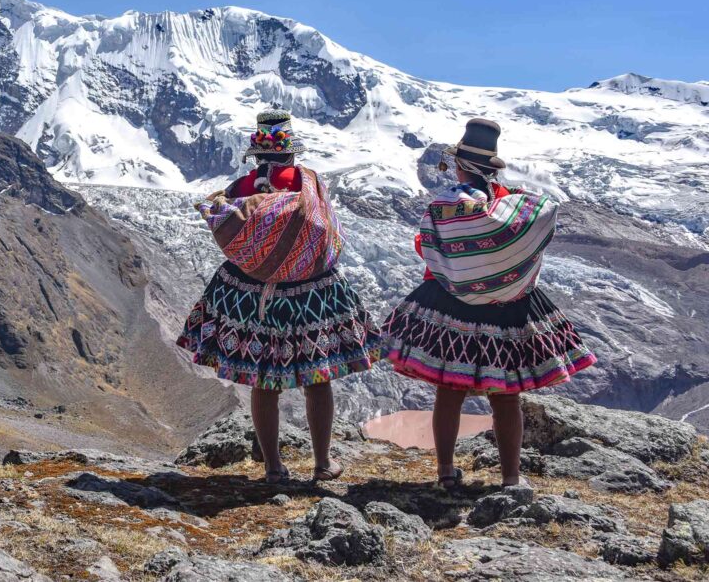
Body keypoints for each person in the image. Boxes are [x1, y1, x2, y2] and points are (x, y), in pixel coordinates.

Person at [382, 118, 596, 489]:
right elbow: (534, 241)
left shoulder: (447, 205)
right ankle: (511, 478)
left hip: (449, 307)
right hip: (507, 310)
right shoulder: (513, 205)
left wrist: (462, 263)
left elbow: (426, 246)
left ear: (460, 166)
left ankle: (446, 473)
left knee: (449, 390)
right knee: (506, 395)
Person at [177, 109, 382, 483]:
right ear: (291, 152)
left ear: (257, 154)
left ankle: (273, 467)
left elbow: (229, 231)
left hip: (249, 291)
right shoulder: (307, 182)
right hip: (311, 292)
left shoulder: (239, 189)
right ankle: (322, 463)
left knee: (262, 379)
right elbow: (328, 234)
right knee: (317, 379)